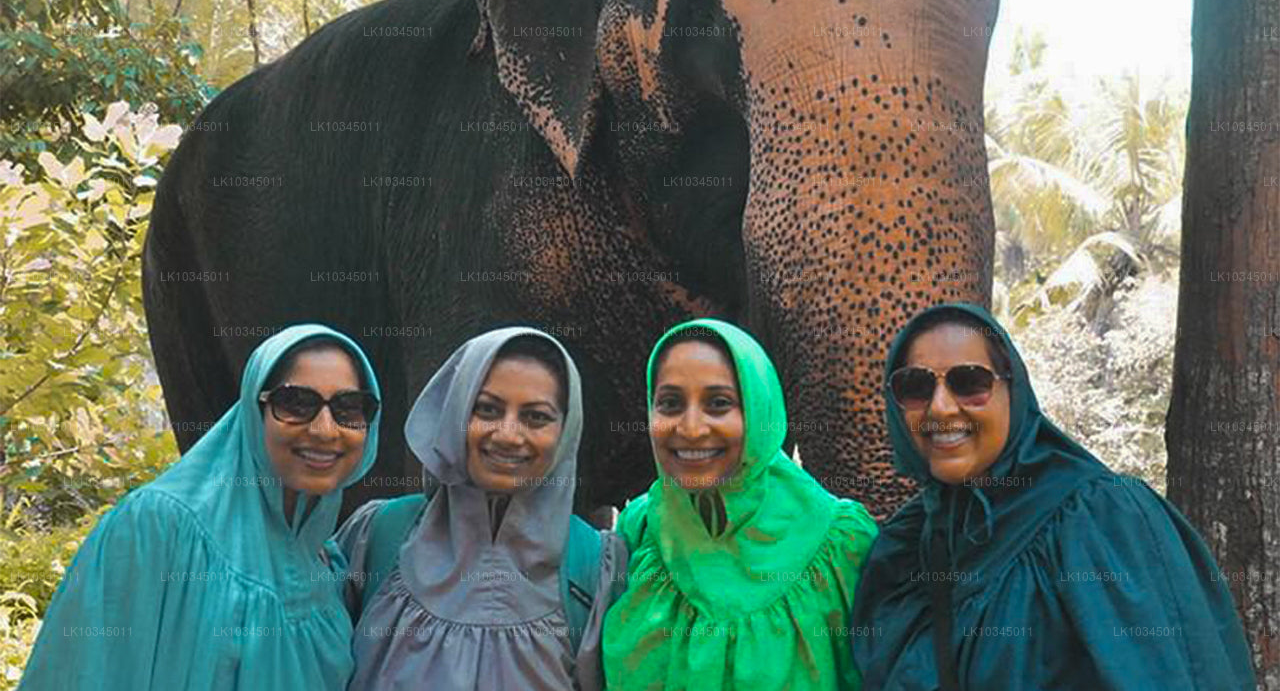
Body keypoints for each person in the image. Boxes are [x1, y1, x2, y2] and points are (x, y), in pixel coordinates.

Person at [851, 303, 1257, 690]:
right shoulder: (907, 545)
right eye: (916, 386)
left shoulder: (1101, 518)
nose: (940, 408)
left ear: (1014, 390)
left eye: (970, 382)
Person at [19, 324, 382, 690]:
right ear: (254, 412)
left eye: (349, 407)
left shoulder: (326, 562)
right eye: (297, 403)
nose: (324, 429)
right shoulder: (157, 526)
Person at [333, 327, 626, 690]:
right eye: (487, 409)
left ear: (566, 430)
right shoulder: (377, 537)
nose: (507, 435)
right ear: (456, 413)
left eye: (536, 417)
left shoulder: (596, 569)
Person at [603, 319, 879, 690]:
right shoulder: (640, 530)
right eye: (670, 404)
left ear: (760, 409)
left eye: (718, 404)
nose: (691, 428)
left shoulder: (841, 544)